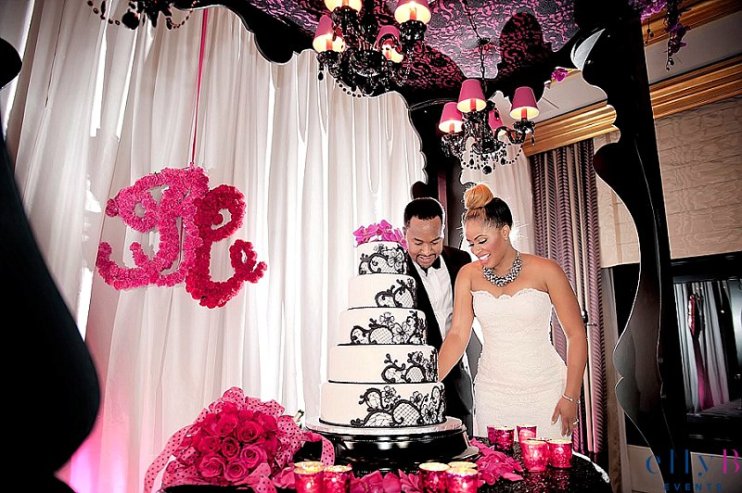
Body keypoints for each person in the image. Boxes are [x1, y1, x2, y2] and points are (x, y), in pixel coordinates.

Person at [437, 183, 588, 438]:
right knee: (496, 462)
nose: (476, 250)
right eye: (471, 243)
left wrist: (571, 396)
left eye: (482, 241)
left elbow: (576, 334)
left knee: (547, 463)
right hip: (492, 394)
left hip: (546, 392)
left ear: (505, 231)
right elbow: (458, 335)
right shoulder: (468, 275)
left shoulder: (547, 270)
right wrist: (430, 383)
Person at [403, 197, 477, 435]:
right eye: (418, 242)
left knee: (465, 446)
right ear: (405, 233)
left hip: (457, 378)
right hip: (414, 382)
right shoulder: (393, 270)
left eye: (435, 241)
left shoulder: (462, 261)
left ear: (443, 231)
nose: (427, 251)